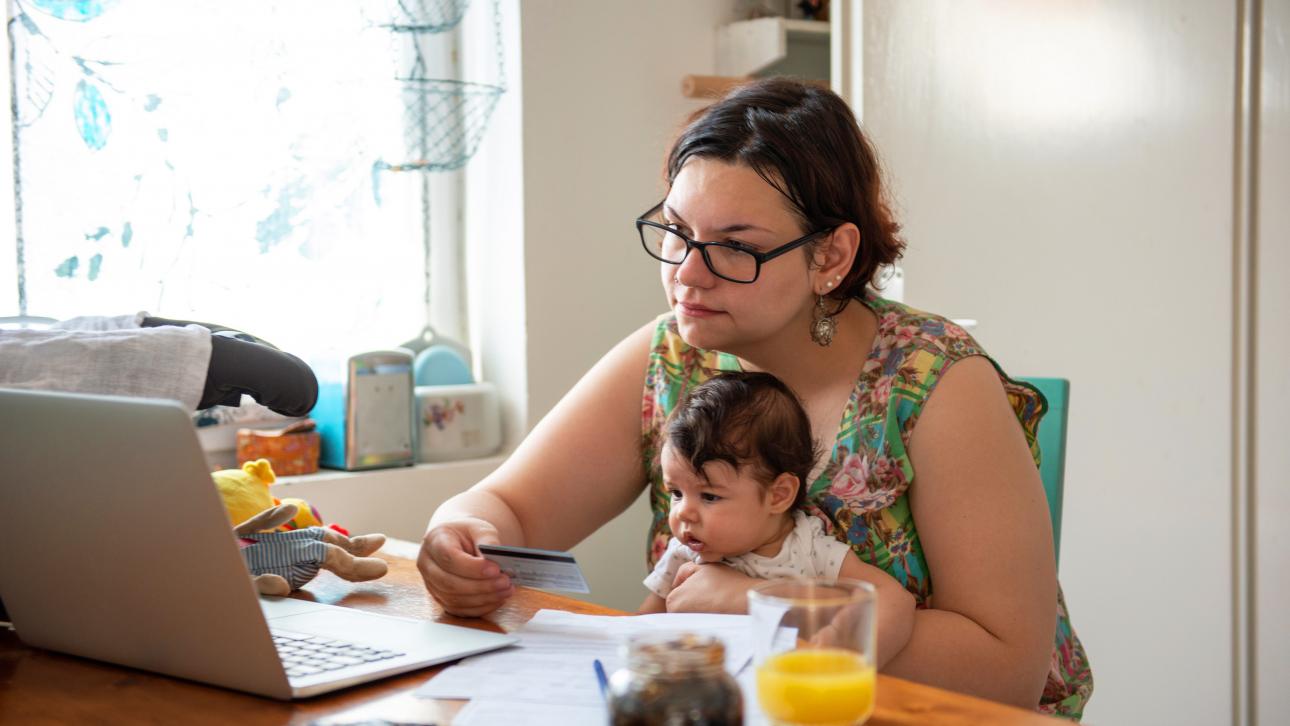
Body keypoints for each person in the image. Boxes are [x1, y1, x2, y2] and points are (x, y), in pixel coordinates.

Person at [418, 77, 1093, 719]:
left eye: (735, 248)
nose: (686, 273)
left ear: (831, 256)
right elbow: (507, 508)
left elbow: (1008, 670)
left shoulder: (935, 384)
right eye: (677, 232)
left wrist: (757, 606)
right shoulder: (671, 356)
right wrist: (457, 538)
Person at [638, 371, 915, 667]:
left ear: (779, 495)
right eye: (676, 493)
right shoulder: (685, 556)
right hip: (708, 698)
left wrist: (837, 648)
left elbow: (894, 599)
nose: (683, 513)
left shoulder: (809, 551)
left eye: (709, 496)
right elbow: (639, 629)